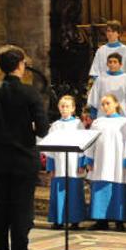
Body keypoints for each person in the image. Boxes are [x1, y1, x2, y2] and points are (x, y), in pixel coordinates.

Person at [0, 44, 49, 250]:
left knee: (1, 212)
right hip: (23, 161)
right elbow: (43, 130)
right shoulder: (30, 93)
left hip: (1, 160)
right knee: (22, 214)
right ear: (20, 64)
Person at [84, 94, 126, 232]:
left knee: (118, 189)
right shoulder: (97, 123)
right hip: (101, 162)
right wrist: (89, 159)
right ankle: (101, 220)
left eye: (108, 103)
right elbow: (90, 142)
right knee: (101, 188)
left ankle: (119, 221)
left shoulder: (124, 122)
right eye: (103, 104)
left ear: (116, 104)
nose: (105, 106)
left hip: (118, 163)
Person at [44, 96, 85, 230]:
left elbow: (84, 145)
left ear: (73, 108)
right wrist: (51, 166)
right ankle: (58, 219)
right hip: (59, 163)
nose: (64, 109)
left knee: (74, 192)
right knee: (58, 191)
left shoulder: (78, 125)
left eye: (67, 106)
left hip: (74, 163)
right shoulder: (55, 126)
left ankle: (75, 220)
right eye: (62, 106)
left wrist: (81, 163)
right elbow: (50, 147)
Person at [87, 53, 126, 120]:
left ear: (120, 64)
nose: (112, 64)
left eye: (115, 62)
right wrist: (93, 110)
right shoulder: (101, 78)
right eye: (110, 62)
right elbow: (94, 95)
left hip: (121, 113)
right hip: (103, 114)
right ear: (107, 64)